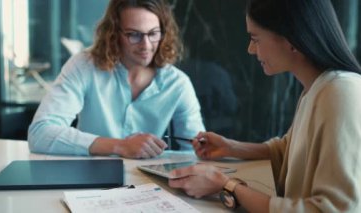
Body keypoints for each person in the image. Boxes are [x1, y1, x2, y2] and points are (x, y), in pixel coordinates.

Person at [168, 0, 361, 212]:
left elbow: (335, 209)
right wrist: (231, 147)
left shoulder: (340, 92)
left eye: (255, 38)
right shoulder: (316, 90)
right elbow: (289, 152)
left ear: (292, 38)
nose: (250, 49)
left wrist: (226, 185)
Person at [28, 0, 205, 158]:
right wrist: (120, 146)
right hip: (88, 181)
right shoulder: (84, 65)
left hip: (148, 185)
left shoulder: (178, 83)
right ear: (113, 34)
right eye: (134, 35)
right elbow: (40, 134)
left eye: (153, 33)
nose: (146, 45)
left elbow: (194, 152)